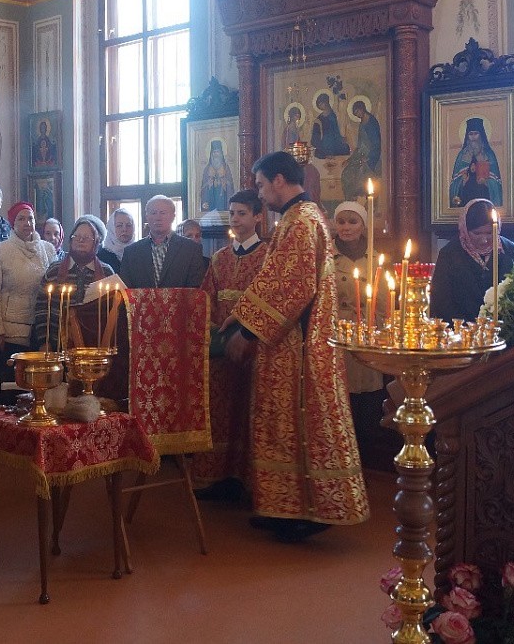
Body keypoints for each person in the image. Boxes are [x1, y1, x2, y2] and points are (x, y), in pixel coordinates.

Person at [222, 150, 369, 542]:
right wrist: (241, 314)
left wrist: (247, 332)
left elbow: (294, 286)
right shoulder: (300, 217)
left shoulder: (301, 220)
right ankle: (282, 507)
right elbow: (274, 277)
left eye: (260, 185)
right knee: (281, 425)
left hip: (298, 347)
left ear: (279, 181)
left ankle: (308, 510)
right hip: (288, 342)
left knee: (297, 423)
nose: (259, 193)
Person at [193, 189, 267, 502]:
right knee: (220, 411)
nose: (235, 219)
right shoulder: (220, 258)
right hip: (222, 348)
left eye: (242, 213)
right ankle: (217, 476)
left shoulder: (268, 256)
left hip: (254, 348)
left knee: (248, 411)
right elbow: (206, 298)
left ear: (258, 216)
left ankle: (247, 480)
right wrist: (212, 330)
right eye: (232, 213)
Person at [330, 201, 387, 464]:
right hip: (337, 336)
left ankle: (367, 460)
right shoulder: (326, 258)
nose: (346, 227)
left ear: (363, 226)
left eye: (352, 222)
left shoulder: (375, 259)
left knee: (368, 400)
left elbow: (384, 304)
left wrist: (380, 332)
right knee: (341, 397)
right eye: (341, 221)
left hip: (368, 336)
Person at [0, 201, 56, 405]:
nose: (27, 223)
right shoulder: (0, 251)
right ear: (13, 223)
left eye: (30, 218)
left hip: (40, 329)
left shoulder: (48, 249)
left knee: (37, 385)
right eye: (21, 219)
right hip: (10, 332)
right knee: (11, 385)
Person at [431, 198, 514, 322]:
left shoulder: (511, 252)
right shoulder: (449, 254)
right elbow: (441, 300)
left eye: (489, 233)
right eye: (477, 233)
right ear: (465, 229)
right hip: (461, 328)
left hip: (503, 328)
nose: (484, 240)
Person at [31, 215, 116, 352]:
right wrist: (44, 342)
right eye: (77, 236)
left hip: (96, 348)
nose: (81, 240)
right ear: (71, 240)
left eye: (86, 237)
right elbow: (42, 307)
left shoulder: (106, 272)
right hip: (58, 346)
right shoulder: (54, 270)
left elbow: (112, 312)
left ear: (96, 242)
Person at [118, 195, 206, 289]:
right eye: (153, 213)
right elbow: (126, 291)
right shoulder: (131, 252)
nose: (158, 218)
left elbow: (196, 289)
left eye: (163, 213)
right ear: (147, 217)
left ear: (173, 216)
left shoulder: (191, 249)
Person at [448, 117, 503, 207]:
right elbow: (455, 183)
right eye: (471, 134)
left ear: (481, 135)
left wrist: (486, 182)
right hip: (466, 198)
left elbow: (496, 182)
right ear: (467, 136)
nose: (473, 137)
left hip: (484, 198)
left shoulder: (489, 154)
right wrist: (462, 182)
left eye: (476, 134)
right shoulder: (462, 155)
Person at [341, 97, 381, 201]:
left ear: (362, 108)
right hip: (361, 156)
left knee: (360, 175)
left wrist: (368, 158)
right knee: (346, 173)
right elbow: (359, 146)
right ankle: (350, 201)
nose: (357, 115)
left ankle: (362, 201)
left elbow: (376, 144)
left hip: (372, 158)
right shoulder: (362, 124)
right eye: (355, 114)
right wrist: (349, 160)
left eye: (357, 112)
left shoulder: (372, 122)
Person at [309, 91, 351, 158]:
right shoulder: (318, 120)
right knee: (318, 153)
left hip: (338, 146)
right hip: (325, 148)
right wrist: (323, 148)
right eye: (319, 104)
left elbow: (344, 130)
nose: (321, 105)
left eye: (322, 102)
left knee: (346, 149)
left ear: (327, 102)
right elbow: (315, 140)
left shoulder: (337, 115)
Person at [199, 139, 235, 214]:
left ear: (221, 153)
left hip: (223, 199)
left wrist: (224, 183)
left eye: (217, 152)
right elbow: (203, 188)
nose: (216, 154)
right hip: (211, 199)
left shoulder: (226, 168)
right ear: (211, 154)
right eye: (214, 152)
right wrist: (209, 184)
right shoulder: (207, 169)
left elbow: (231, 186)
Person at [98, 208, 135, 272]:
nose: (124, 229)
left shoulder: (139, 251)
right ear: (111, 228)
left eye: (128, 225)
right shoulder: (101, 255)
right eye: (119, 225)